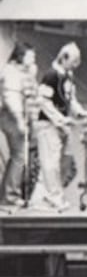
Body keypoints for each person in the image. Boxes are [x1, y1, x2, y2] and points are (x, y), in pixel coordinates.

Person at [30, 41, 87, 211]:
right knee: (50, 163)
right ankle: (52, 197)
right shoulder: (50, 76)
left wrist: (79, 112)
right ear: (64, 58)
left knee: (57, 162)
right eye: (73, 61)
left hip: (59, 126)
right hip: (47, 125)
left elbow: (70, 98)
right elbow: (43, 103)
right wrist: (60, 120)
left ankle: (47, 196)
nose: (75, 66)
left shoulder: (67, 76)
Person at [0, 42, 36, 207]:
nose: (33, 58)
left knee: (17, 155)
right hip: (11, 117)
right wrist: (20, 121)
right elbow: (12, 99)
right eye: (30, 55)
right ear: (21, 56)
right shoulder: (12, 73)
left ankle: (8, 194)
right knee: (19, 156)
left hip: (11, 116)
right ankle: (11, 196)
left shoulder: (17, 72)